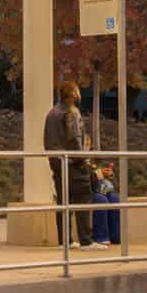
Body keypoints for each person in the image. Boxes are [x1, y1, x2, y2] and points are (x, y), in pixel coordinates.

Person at [43, 82, 97, 248]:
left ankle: (65, 240)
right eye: (77, 91)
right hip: (73, 163)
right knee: (83, 198)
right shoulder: (71, 112)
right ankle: (86, 240)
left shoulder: (52, 113)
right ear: (73, 94)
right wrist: (82, 158)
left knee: (63, 201)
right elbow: (74, 138)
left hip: (57, 162)